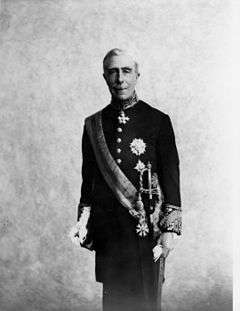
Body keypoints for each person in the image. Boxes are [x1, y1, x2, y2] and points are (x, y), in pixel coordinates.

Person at [75, 48, 182, 311]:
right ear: (104, 77)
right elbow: (88, 179)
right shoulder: (93, 124)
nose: (119, 79)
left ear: (137, 75)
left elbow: (171, 176)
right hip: (109, 232)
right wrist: (83, 221)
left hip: (146, 230)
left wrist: (169, 230)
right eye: (112, 72)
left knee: (146, 300)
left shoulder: (158, 121)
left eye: (126, 71)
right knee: (114, 300)